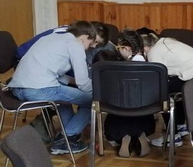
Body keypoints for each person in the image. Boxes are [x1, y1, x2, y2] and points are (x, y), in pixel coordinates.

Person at [9, 20, 97, 154]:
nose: (87, 48)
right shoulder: (75, 45)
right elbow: (83, 83)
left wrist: (73, 82)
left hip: (17, 88)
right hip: (38, 89)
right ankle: (67, 138)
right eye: (89, 44)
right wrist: (97, 90)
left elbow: (58, 76)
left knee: (63, 99)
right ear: (84, 37)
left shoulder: (50, 38)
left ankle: (67, 138)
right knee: (93, 101)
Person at [144, 30, 193, 147]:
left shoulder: (153, 51)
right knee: (174, 87)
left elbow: (157, 76)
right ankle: (181, 126)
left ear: (145, 48)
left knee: (161, 91)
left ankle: (173, 136)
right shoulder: (168, 42)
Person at [103, 29, 156, 157]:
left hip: (119, 110)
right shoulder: (152, 66)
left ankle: (123, 136)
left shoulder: (117, 68)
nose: (117, 51)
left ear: (126, 49)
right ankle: (140, 134)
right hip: (144, 110)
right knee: (138, 106)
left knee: (118, 108)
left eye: (118, 48)